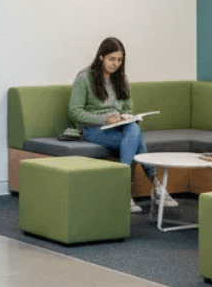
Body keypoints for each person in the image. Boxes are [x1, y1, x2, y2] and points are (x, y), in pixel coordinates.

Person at [69, 37, 174, 214]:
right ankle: (154, 185)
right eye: (111, 59)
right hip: (93, 129)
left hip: (119, 128)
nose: (115, 64)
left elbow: (127, 108)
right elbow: (75, 112)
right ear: (101, 57)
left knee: (133, 128)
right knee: (136, 137)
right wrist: (105, 120)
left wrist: (127, 117)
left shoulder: (122, 80)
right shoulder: (84, 78)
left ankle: (126, 190)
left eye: (119, 60)